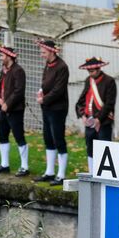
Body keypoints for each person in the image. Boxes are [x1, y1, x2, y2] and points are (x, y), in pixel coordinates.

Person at [33, 39, 69, 186]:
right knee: (48, 137)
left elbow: (58, 90)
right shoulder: (48, 65)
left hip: (58, 108)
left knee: (58, 138)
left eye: (43, 52)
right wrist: (41, 92)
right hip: (47, 107)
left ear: (51, 51)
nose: (41, 55)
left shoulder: (62, 67)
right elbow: (45, 83)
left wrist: (45, 99)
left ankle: (61, 174)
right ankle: (49, 172)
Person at [0, 45, 30, 176]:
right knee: (2, 134)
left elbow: (19, 91)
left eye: (2, 55)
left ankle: (24, 166)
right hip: (3, 108)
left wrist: (8, 103)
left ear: (8, 56)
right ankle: (4, 164)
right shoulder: (4, 70)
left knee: (19, 136)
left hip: (15, 110)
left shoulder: (18, 71)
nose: (0, 57)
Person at [75, 56, 117, 173]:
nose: (90, 73)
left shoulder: (109, 81)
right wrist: (82, 115)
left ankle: (104, 175)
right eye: (89, 71)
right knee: (90, 148)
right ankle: (92, 173)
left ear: (99, 69)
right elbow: (82, 101)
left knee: (104, 149)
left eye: (92, 71)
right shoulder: (88, 81)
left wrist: (98, 119)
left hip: (103, 121)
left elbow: (109, 103)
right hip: (90, 120)